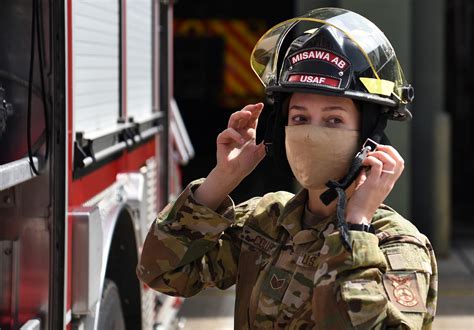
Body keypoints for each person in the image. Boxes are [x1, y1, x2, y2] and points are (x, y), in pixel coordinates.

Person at [137, 8, 438, 329]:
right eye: (299, 118)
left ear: (368, 138)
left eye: (334, 120)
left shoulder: (396, 245)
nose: (310, 133)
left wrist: (356, 227)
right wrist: (222, 179)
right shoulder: (264, 221)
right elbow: (163, 274)